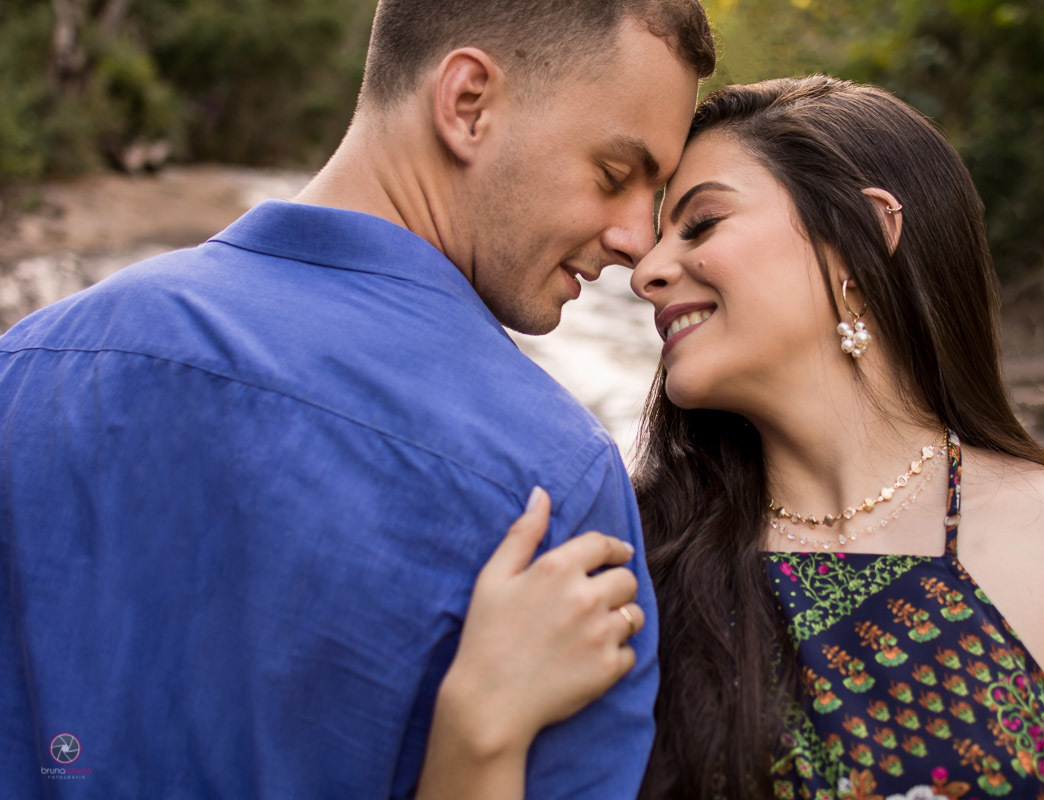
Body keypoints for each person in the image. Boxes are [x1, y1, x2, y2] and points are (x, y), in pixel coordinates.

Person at [0, 2, 714, 797]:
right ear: (468, 104)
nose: (636, 240)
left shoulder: (27, 366)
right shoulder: (552, 492)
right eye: (616, 176)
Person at [439, 76, 1044, 798]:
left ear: (861, 237)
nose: (647, 270)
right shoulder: (627, 554)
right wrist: (477, 726)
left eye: (701, 223)